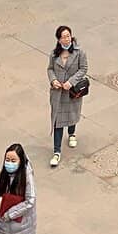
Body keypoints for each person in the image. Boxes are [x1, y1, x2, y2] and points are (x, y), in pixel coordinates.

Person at [48, 24, 88, 166]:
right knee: (57, 121)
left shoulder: (79, 52)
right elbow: (50, 69)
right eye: (63, 37)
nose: (66, 39)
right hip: (58, 93)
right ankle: (57, 151)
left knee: (72, 114)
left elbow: (83, 69)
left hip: (72, 91)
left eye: (68, 36)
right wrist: (53, 80)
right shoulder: (54, 54)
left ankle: (72, 133)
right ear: (58, 40)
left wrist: (71, 82)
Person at [0, 142, 37, 234]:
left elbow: (30, 201)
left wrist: (10, 214)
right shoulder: (5, 174)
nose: (9, 163)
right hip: (5, 224)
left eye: (13, 161)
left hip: (21, 225)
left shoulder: (26, 176)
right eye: (7, 160)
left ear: (20, 161)